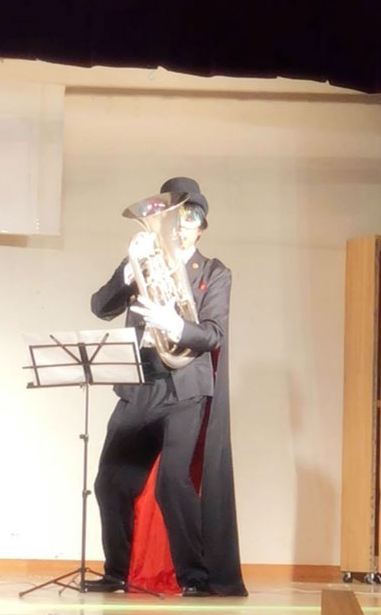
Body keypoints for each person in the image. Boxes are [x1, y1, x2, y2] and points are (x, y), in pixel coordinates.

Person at [88, 177, 246, 597]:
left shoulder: (214, 272)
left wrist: (175, 325)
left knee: (172, 483)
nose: (180, 227)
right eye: (174, 218)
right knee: (110, 481)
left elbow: (212, 334)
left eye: (190, 219)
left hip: (184, 389)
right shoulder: (142, 263)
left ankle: (195, 578)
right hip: (140, 385)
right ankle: (116, 573)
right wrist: (128, 269)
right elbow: (101, 307)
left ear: (202, 227)